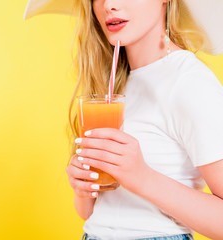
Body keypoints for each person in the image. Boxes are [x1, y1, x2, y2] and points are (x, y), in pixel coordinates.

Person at [24, 0, 223, 239]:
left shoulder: (190, 83)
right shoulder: (112, 82)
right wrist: (82, 187)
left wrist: (142, 177)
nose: (109, 5)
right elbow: (89, 213)